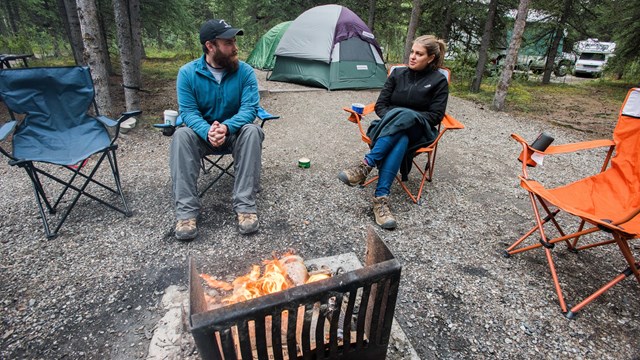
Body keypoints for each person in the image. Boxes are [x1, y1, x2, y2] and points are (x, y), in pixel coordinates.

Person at [338, 35, 448, 229]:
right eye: (412, 52)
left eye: (419, 54)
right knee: (401, 135)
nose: (412, 57)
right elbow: (381, 106)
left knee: (404, 117)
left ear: (430, 58)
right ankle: (380, 199)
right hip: (388, 130)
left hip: (420, 132)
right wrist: (397, 117)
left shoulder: (438, 81)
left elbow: (435, 116)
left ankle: (366, 165)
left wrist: (405, 115)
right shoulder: (397, 75)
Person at [170, 19, 263, 240]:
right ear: (210, 46)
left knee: (252, 131)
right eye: (229, 42)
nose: (235, 47)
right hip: (202, 136)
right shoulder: (187, 73)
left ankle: (246, 208)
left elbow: (250, 108)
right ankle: (186, 213)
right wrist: (207, 131)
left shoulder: (246, 72)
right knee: (181, 134)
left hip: (234, 134)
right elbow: (189, 112)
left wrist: (226, 127)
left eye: (234, 41)